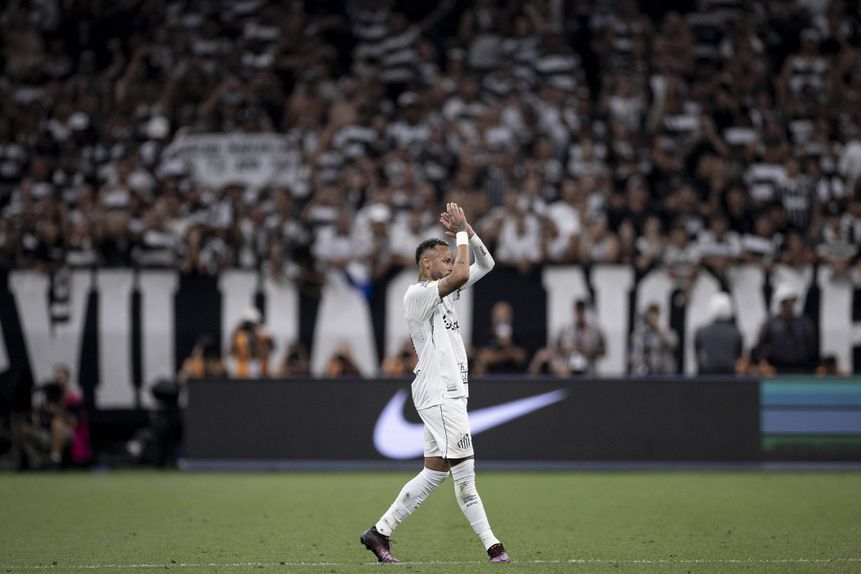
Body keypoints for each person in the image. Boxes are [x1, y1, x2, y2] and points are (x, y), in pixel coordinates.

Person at [360, 202, 510, 564]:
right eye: (444, 261)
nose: (452, 265)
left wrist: (469, 230)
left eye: (451, 260)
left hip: (447, 392)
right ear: (426, 265)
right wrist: (459, 233)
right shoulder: (418, 295)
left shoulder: (444, 293)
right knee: (466, 475)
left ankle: (378, 533)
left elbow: (486, 265)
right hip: (440, 393)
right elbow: (459, 275)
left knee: (434, 473)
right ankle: (494, 548)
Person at [756, 284, 817, 374]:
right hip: (777, 368)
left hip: (800, 369)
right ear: (780, 303)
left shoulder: (804, 323)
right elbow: (761, 345)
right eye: (786, 302)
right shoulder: (771, 324)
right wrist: (763, 362)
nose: (789, 305)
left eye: (792, 301)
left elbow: (811, 347)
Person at [694, 292, 743, 375]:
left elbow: (697, 357)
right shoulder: (736, 333)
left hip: (706, 377)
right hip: (730, 377)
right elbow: (739, 357)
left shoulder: (701, 332)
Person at [473, 301, 528, 374]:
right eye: (499, 316)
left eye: (505, 316)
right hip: (489, 379)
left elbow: (522, 358)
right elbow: (482, 358)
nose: (501, 319)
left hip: (514, 377)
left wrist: (508, 344)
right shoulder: (485, 335)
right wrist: (506, 354)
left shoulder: (517, 335)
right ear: (493, 317)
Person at [557, 300, 606, 375]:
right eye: (578, 310)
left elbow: (603, 350)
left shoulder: (595, 331)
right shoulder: (565, 330)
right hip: (568, 371)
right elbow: (556, 349)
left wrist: (589, 351)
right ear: (574, 311)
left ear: (585, 311)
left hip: (589, 370)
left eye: (582, 310)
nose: (580, 313)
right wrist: (570, 350)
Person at [629, 303, 678, 375]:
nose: (653, 318)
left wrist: (663, 337)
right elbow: (634, 354)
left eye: (655, 315)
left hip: (663, 372)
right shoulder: (640, 334)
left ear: (659, 316)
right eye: (650, 315)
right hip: (645, 371)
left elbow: (673, 344)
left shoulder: (665, 332)